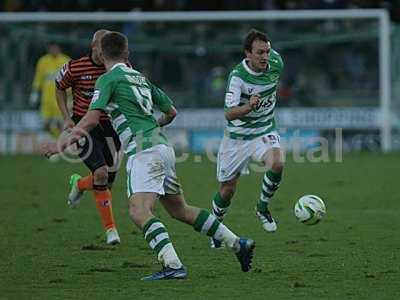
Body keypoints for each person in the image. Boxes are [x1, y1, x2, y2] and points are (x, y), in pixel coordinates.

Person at [43, 31, 255, 281]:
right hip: (162, 147)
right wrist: (151, 126)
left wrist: (60, 145)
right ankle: (237, 243)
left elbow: (90, 120)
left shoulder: (107, 79)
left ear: (102, 52)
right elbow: (171, 111)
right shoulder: (140, 78)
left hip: (143, 151)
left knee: (139, 211)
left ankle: (173, 265)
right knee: (181, 210)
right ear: (126, 53)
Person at [210, 29, 285, 248]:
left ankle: (262, 208)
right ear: (248, 54)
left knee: (278, 162)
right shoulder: (237, 77)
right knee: (227, 189)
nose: (265, 57)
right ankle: (216, 227)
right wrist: (248, 106)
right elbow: (229, 113)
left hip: (264, 130)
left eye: (267, 51)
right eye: (260, 52)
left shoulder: (277, 62)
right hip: (237, 138)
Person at [55, 30, 122, 245]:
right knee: (101, 174)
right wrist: (67, 118)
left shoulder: (119, 67)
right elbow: (59, 87)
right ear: (93, 47)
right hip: (85, 126)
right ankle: (111, 231)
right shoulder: (75, 67)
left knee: (106, 182)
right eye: (101, 49)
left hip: (111, 127)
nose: (105, 54)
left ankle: (80, 184)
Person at [30, 42, 70, 137]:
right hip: (46, 100)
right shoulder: (43, 61)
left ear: (58, 48)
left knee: (61, 124)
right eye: (51, 48)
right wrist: (35, 92)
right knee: (45, 124)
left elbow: (71, 79)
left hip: (60, 99)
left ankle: (60, 143)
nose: (53, 50)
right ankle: (56, 139)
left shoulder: (66, 60)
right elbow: (38, 78)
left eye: (55, 48)